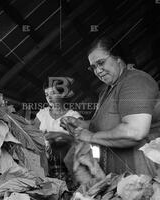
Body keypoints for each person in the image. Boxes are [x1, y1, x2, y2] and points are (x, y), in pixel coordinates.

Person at [61, 37, 160, 176]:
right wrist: (79, 124)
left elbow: (135, 132)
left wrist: (91, 137)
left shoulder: (135, 81)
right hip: (123, 178)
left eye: (101, 63)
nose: (98, 70)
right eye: (93, 67)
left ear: (118, 58)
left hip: (146, 176)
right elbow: (103, 124)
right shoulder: (106, 91)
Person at [33, 79, 82, 178]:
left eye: (53, 93)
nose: (49, 98)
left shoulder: (74, 116)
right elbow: (31, 137)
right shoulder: (42, 114)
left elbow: (82, 143)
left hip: (68, 167)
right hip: (44, 165)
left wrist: (60, 136)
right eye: (46, 94)